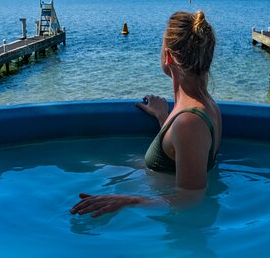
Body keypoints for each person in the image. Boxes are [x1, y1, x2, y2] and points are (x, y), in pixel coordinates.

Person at [70, 11, 221, 217]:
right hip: (163, 198)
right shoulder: (205, 106)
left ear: (168, 56)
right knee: (99, 163)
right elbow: (180, 156)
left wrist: (130, 201)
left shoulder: (189, 122)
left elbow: (191, 199)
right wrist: (164, 118)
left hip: (174, 234)